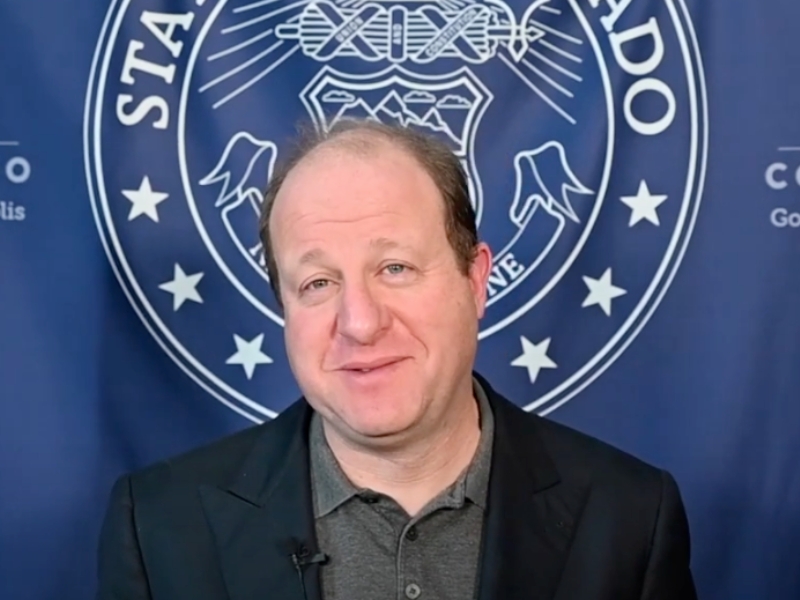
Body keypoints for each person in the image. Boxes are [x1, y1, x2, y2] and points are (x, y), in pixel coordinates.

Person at [96, 119, 697, 600]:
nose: (359, 322)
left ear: (476, 279)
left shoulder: (628, 517)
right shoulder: (158, 528)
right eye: (317, 283)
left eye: (395, 269)